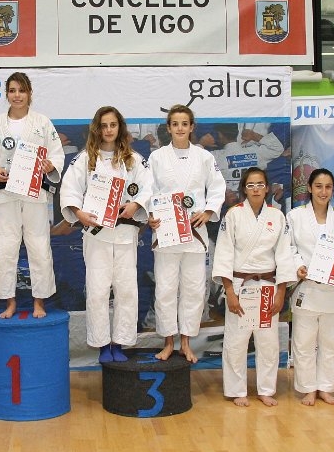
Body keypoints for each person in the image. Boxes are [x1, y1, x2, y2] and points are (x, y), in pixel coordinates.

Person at [60, 106, 153, 363]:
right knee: (98, 290)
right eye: (104, 125)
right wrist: (78, 213)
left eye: (113, 125)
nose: (108, 130)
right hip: (96, 234)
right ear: (97, 129)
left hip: (125, 233)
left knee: (126, 290)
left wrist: (136, 205)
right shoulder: (85, 159)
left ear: (119, 128)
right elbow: (69, 190)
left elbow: (148, 188)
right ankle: (102, 344)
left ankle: (120, 342)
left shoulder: (133, 159)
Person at [0, 72, 64, 319]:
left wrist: (49, 165)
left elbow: (57, 154)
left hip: (34, 192)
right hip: (5, 194)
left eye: (21, 90)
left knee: (38, 246)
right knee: (5, 246)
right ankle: (9, 301)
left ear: (30, 94)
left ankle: (39, 302)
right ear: (6, 94)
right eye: (12, 90)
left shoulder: (42, 122)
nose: (17, 95)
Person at [148, 104, 227, 363]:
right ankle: (169, 341)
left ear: (191, 127)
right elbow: (148, 192)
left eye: (185, 123)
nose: (180, 128)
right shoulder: (157, 157)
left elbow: (217, 188)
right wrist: (151, 215)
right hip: (167, 232)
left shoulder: (204, 157)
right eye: (175, 124)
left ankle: (186, 342)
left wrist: (208, 212)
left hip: (195, 232)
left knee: (194, 289)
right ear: (168, 128)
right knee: (166, 289)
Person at [212, 167, 295, 407]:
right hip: (240, 284)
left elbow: (284, 256)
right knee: (236, 341)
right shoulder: (233, 215)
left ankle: (266, 389)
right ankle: (237, 390)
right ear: (244, 189)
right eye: (251, 185)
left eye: (260, 184)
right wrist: (229, 291)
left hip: (268, 285)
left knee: (268, 342)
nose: (256, 189)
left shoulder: (278, 217)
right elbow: (224, 254)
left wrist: (281, 291)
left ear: (267, 188)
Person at [287, 168, 334, 406]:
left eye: (327, 187)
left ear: (333, 189)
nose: (323, 191)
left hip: (332, 292)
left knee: (332, 343)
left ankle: (326, 387)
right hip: (307, 288)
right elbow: (290, 248)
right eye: (318, 186)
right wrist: (298, 266)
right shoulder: (295, 216)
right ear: (310, 189)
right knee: (303, 342)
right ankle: (307, 388)